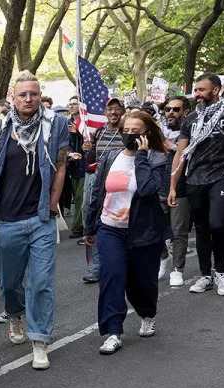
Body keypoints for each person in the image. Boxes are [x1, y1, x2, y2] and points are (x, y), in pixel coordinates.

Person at [0, 71, 69, 370]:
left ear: (39, 94)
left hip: (41, 217)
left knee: (41, 282)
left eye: (33, 93)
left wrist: (54, 203)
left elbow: (59, 166)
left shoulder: (56, 124)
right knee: (8, 283)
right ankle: (15, 314)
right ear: (12, 97)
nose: (28, 98)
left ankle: (40, 340)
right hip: (6, 220)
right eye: (23, 94)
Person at [84, 112, 171, 354]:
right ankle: (113, 332)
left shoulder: (157, 159)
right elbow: (98, 192)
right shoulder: (111, 156)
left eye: (137, 131)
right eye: (127, 130)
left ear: (147, 134)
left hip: (144, 233)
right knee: (112, 277)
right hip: (110, 229)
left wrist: (141, 156)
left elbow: (147, 189)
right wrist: (90, 226)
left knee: (142, 283)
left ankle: (147, 314)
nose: (131, 135)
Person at [169, 73, 224, 296]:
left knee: (218, 224)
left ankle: (221, 272)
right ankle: (206, 275)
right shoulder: (191, 119)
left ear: (215, 90)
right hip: (195, 180)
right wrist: (173, 185)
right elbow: (181, 153)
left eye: (201, 89)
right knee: (202, 229)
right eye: (196, 90)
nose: (196, 94)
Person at [82, 97, 127, 283]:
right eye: (110, 109)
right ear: (105, 113)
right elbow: (91, 160)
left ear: (123, 111)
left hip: (122, 187)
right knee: (95, 221)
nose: (113, 113)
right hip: (101, 186)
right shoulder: (99, 133)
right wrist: (88, 151)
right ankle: (97, 266)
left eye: (117, 109)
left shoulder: (127, 132)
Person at [160, 96, 192, 287]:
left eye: (175, 109)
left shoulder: (192, 130)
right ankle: (163, 257)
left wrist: (172, 147)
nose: (170, 112)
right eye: (167, 109)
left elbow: (189, 156)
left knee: (178, 232)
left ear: (185, 112)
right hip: (158, 187)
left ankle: (177, 270)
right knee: (154, 229)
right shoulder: (157, 131)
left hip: (181, 189)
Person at [68, 96, 89, 239]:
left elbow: (89, 142)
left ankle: (77, 227)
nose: (71, 106)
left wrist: (79, 133)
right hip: (71, 166)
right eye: (70, 104)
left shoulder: (86, 123)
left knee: (81, 197)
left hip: (84, 165)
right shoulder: (65, 123)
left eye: (74, 104)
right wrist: (69, 154)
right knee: (76, 196)